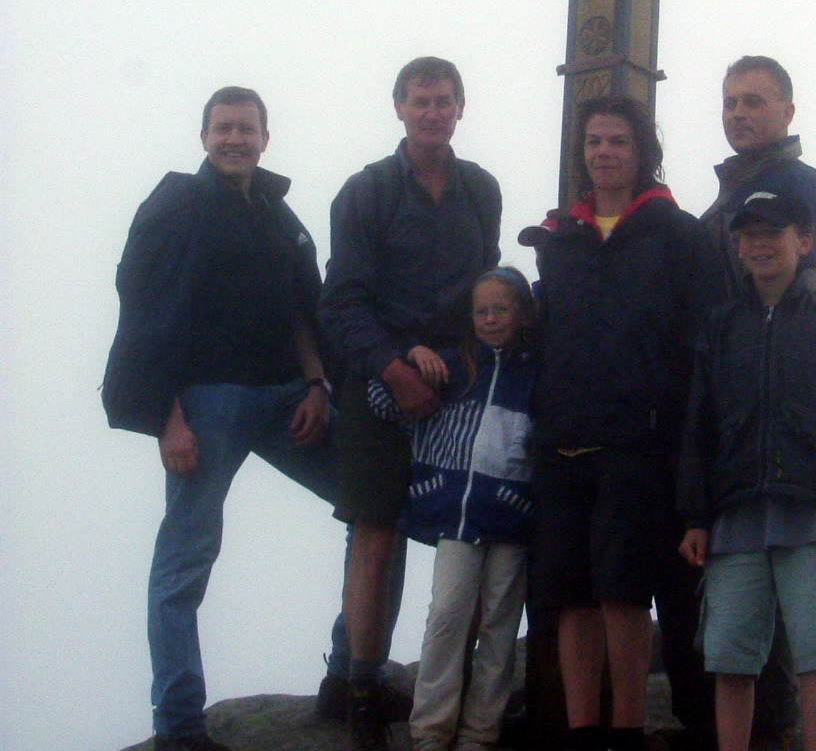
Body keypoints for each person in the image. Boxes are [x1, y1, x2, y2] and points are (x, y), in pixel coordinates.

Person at [102, 86, 339, 751]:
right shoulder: (177, 203)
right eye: (224, 128)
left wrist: (317, 384)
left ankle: (354, 674)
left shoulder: (276, 212)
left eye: (246, 129)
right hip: (207, 404)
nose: (235, 139)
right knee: (184, 563)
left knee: (372, 501)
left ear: (266, 138)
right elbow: (142, 307)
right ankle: (179, 727)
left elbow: (302, 308)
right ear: (204, 136)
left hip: (287, 397)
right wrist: (166, 418)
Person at [521, 96, 719, 751]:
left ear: (642, 154)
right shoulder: (561, 238)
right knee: (570, 594)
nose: (604, 152)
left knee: (624, 590)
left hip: (638, 440)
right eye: (595, 141)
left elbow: (699, 342)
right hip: (561, 438)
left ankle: (628, 728)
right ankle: (583, 731)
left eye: (618, 141)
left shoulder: (676, 233)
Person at [319, 56, 501, 751]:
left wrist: (460, 358)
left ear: (461, 108)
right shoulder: (365, 192)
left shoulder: (480, 189)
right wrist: (395, 366)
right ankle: (363, 692)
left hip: (457, 382)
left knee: (469, 536)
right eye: (421, 101)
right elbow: (342, 301)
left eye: (444, 101)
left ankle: (458, 689)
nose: (433, 113)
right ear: (399, 107)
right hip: (378, 378)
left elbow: (484, 288)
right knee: (375, 535)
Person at [677, 190, 816, 751]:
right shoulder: (722, 326)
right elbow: (698, 424)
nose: (759, 244)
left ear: (805, 241)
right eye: (749, 235)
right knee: (730, 656)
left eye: (772, 232)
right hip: (734, 514)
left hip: (809, 514)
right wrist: (695, 516)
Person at [366, 267, 539, 751]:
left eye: (500, 309)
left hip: (512, 514)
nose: (489, 319)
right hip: (456, 518)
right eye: (481, 311)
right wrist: (409, 358)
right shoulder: (451, 367)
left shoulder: (537, 375)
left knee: (500, 623)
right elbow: (379, 398)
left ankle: (479, 734)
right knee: (446, 616)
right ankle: (429, 732)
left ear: (523, 314)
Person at [702, 55, 816, 299]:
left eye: (752, 102)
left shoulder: (804, 186)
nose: (737, 113)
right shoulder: (735, 188)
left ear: (787, 114)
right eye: (730, 104)